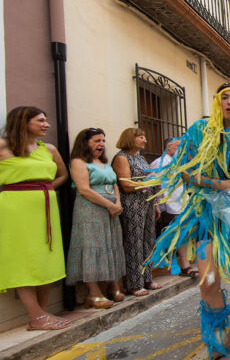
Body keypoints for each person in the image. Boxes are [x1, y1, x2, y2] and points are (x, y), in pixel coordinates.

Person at [145, 82, 230, 360]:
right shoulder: (198, 132)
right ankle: (216, 340)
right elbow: (186, 173)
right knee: (207, 277)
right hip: (207, 213)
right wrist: (222, 184)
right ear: (217, 101)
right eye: (224, 97)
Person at [0, 107, 69, 330]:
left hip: (45, 208)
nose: (46, 125)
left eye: (46, 120)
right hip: (15, 209)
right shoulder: (3, 146)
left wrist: (44, 190)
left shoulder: (48, 149)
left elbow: (62, 175)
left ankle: (41, 313)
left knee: (46, 257)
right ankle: (37, 316)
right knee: (23, 258)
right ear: (23, 122)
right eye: (40, 120)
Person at [66, 128, 125, 309]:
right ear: (85, 143)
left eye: (102, 141)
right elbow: (84, 189)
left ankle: (111, 285)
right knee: (92, 245)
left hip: (110, 209)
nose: (101, 144)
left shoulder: (104, 163)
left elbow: (114, 183)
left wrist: (117, 202)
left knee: (110, 244)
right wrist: (109, 205)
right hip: (90, 209)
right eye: (96, 141)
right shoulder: (78, 162)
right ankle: (93, 292)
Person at [113, 128, 161, 297]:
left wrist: (155, 204)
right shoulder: (122, 158)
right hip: (132, 203)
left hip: (147, 202)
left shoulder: (140, 158)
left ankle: (147, 278)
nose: (145, 140)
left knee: (148, 240)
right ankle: (133, 283)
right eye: (141, 137)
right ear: (130, 138)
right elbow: (126, 185)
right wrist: (149, 183)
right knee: (134, 241)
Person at [150, 138, 197, 279]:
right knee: (178, 236)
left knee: (183, 235)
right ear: (168, 146)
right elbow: (154, 185)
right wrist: (157, 205)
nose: (180, 149)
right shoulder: (160, 162)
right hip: (169, 206)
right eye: (177, 146)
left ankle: (184, 264)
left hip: (179, 204)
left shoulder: (177, 162)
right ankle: (181, 265)